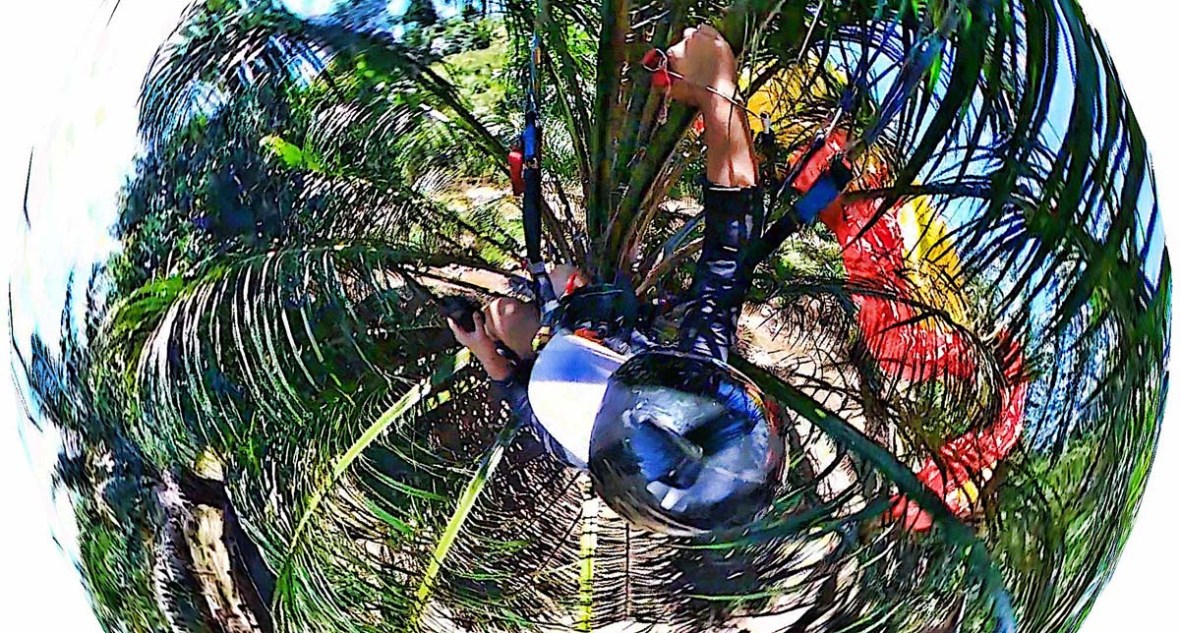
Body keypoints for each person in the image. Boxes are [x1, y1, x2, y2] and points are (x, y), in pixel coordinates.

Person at [448, 25, 789, 536]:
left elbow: (520, 397)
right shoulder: (695, 383)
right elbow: (730, 243)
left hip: (566, 325)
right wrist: (717, 86)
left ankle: (544, 297)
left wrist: (485, 348)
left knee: (505, 315)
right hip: (596, 319)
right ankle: (557, 293)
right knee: (545, 293)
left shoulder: (578, 440)